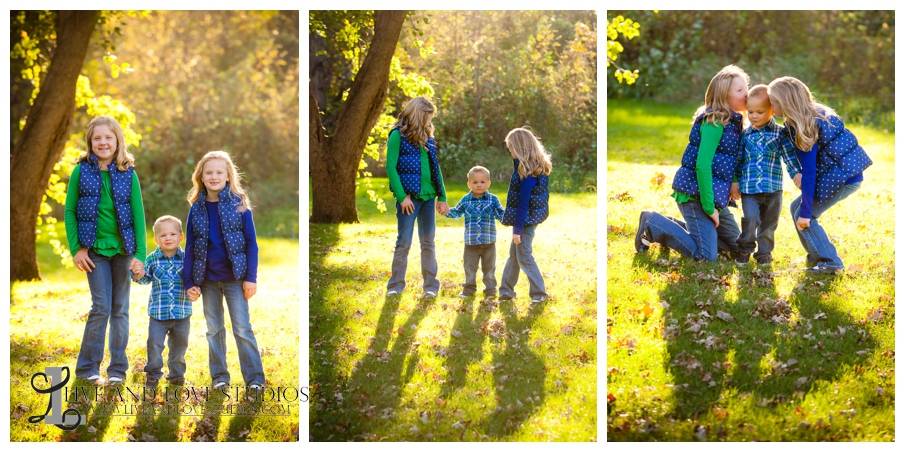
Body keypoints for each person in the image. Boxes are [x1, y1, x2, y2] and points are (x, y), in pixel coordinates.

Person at [64, 115, 147, 385]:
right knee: (101, 307)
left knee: (120, 309)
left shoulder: (128, 173)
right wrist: (77, 248)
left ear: (117, 141)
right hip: (94, 251)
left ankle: (117, 370)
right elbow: (70, 211)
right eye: (97, 138)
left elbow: (138, 216)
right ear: (90, 142)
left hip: (124, 251)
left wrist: (140, 255)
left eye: (108, 137)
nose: (103, 142)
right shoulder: (81, 171)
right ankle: (88, 369)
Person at [635, 65, 746, 261]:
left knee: (738, 248)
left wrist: (734, 183)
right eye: (740, 90)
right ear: (723, 96)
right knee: (705, 256)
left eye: (746, 87)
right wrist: (710, 208)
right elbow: (702, 166)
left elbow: (731, 160)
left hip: (714, 195)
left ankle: (672, 227)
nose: (746, 93)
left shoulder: (734, 123)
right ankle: (652, 223)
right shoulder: (715, 123)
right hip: (695, 195)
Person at [767, 76, 872, 274]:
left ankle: (830, 263)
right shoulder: (813, 114)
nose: (771, 108)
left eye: (773, 103)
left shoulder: (804, 127)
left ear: (785, 104)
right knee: (794, 207)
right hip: (843, 174)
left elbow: (809, 174)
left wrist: (806, 213)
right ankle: (816, 255)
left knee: (804, 214)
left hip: (844, 179)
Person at [183, 151, 265, 396]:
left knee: (242, 328)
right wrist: (189, 282)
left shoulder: (239, 203)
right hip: (207, 280)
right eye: (209, 172)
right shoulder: (196, 208)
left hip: (235, 279)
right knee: (214, 329)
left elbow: (251, 242)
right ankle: (219, 377)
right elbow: (189, 247)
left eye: (219, 172)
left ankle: (254, 379)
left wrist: (251, 278)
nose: (214, 176)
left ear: (228, 176)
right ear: (201, 177)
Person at [730, 84, 803, 266]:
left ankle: (764, 253)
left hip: (773, 189)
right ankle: (745, 249)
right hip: (750, 188)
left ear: (772, 110)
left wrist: (797, 174)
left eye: (760, 112)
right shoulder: (745, 135)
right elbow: (739, 161)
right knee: (750, 219)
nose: (754, 116)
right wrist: (735, 182)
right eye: (751, 112)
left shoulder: (780, 134)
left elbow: (789, 157)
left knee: (769, 224)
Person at [385, 96, 449, 298]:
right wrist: (402, 197)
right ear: (417, 115)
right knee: (404, 241)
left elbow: (435, 168)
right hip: (409, 200)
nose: (429, 122)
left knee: (428, 242)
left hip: (429, 196)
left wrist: (443, 197)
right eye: (427, 117)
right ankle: (395, 285)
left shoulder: (428, 138)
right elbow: (391, 167)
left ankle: (431, 286)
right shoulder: (397, 136)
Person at [132, 216, 194, 389]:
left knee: (179, 346)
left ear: (181, 237)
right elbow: (145, 279)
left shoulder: (188, 258)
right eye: (163, 235)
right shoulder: (152, 259)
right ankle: (153, 374)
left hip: (182, 313)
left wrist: (197, 288)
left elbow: (195, 279)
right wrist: (138, 274)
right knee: (154, 344)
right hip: (158, 313)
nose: (168, 238)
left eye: (173, 234)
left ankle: (176, 375)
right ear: (156, 239)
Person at [499, 127, 552, 304]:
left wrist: (517, 230)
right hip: (528, 218)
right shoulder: (533, 167)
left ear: (520, 148)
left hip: (526, 221)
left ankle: (539, 293)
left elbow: (523, 204)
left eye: (511, 149)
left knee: (524, 255)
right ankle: (506, 291)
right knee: (515, 255)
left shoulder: (528, 174)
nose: (510, 152)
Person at [444, 166, 505, 300]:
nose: (478, 185)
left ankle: (490, 290)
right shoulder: (466, 200)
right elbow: (457, 212)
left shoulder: (493, 199)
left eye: (482, 182)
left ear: (488, 183)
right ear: (469, 184)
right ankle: (469, 289)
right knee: (470, 267)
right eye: (475, 182)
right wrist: (446, 211)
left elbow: (501, 215)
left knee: (489, 268)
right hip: (471, 242)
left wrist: (510, 217)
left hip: (489, 242)